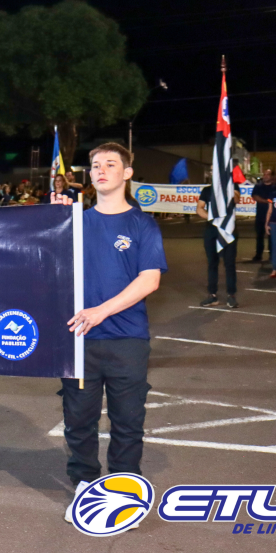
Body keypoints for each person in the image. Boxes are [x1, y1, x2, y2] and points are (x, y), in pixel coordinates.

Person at [53, 143, 166, 525]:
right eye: (95, 165)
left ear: (127, 173)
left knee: (128, 422)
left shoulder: (142, 224)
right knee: (79, 420)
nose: (101, 170)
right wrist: (48, 221)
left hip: (127, 339)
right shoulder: (75, 222)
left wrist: (101, 311)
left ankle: (120, 494)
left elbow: (149, 279)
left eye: (110, 164)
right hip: (79, 340)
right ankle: (86, 487)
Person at [196, 179, 241, 309]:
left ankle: (231, 295)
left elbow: (237, 199)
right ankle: (212, 295)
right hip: (212, 230)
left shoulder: (233, 186)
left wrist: (229, 187)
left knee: (229, 263)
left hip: (228, 230)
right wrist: (212, 218)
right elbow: (199, 208)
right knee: (212, 263)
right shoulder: (208, 190)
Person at [249, 169, 275, 262]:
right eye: (264, 174)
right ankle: (258, 255)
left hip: (272, 216)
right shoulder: (258, 186)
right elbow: (255, 196)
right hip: (260, 215)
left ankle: (272, 255)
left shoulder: (275, 187)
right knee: (259, 236)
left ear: (272, 176)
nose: (265, 176)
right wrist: (267, 201)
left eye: (268, 174)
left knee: (272, 237)